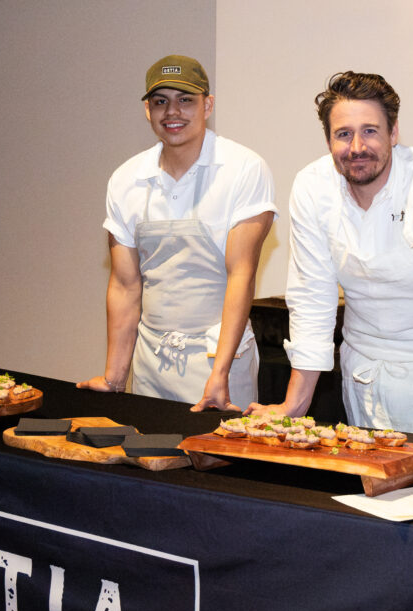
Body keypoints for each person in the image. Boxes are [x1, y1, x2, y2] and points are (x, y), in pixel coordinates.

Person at [247, 71, 413, 444]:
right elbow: (312, 299)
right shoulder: (312, 187)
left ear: (393, 133)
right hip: (361, 357)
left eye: (370, 131)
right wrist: (293, 406)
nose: (357, 147)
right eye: (343, 134)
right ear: (329, 139)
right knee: (368, 480)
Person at [78, 55, 276, 411]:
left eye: (186, 100)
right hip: (150, 360)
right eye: (160, 101)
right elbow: (125, 285)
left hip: (220, 357)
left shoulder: (243, 169)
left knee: (215, 463)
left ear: (208, 105)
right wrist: (114, 377)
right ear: (147, 110)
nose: (173, 112)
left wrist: (219, 374)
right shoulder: (126, 179)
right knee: (147, 460)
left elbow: (241, 275)